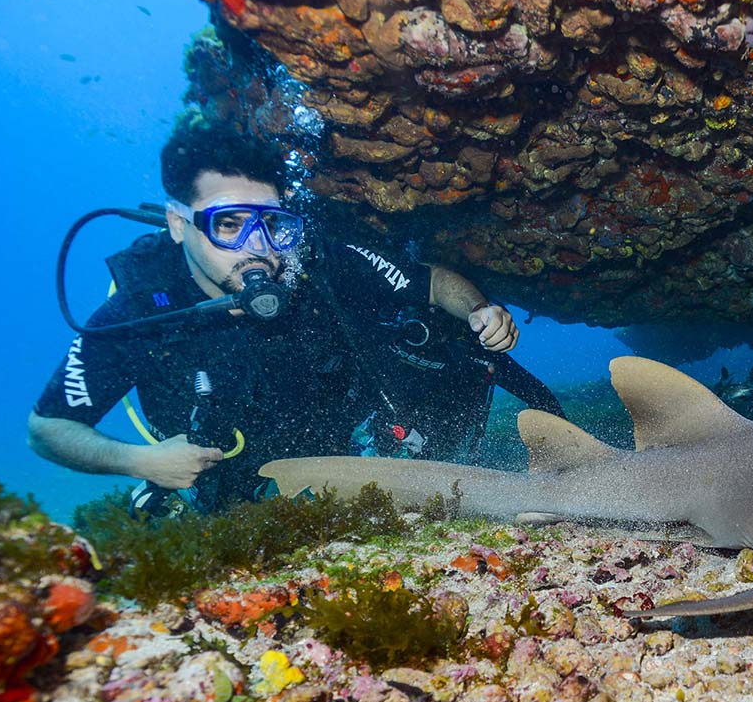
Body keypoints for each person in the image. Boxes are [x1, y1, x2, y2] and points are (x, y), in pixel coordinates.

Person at [29, 123, 563, 514]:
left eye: (272, 224)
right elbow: (48, 429)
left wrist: (479, 310)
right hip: (244, 494)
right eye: (229, 225)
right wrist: (138, 463)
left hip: (361, 456)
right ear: (177, 224)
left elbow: (431, 281)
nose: (257, 248)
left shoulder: (314, 260)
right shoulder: (141, 309)